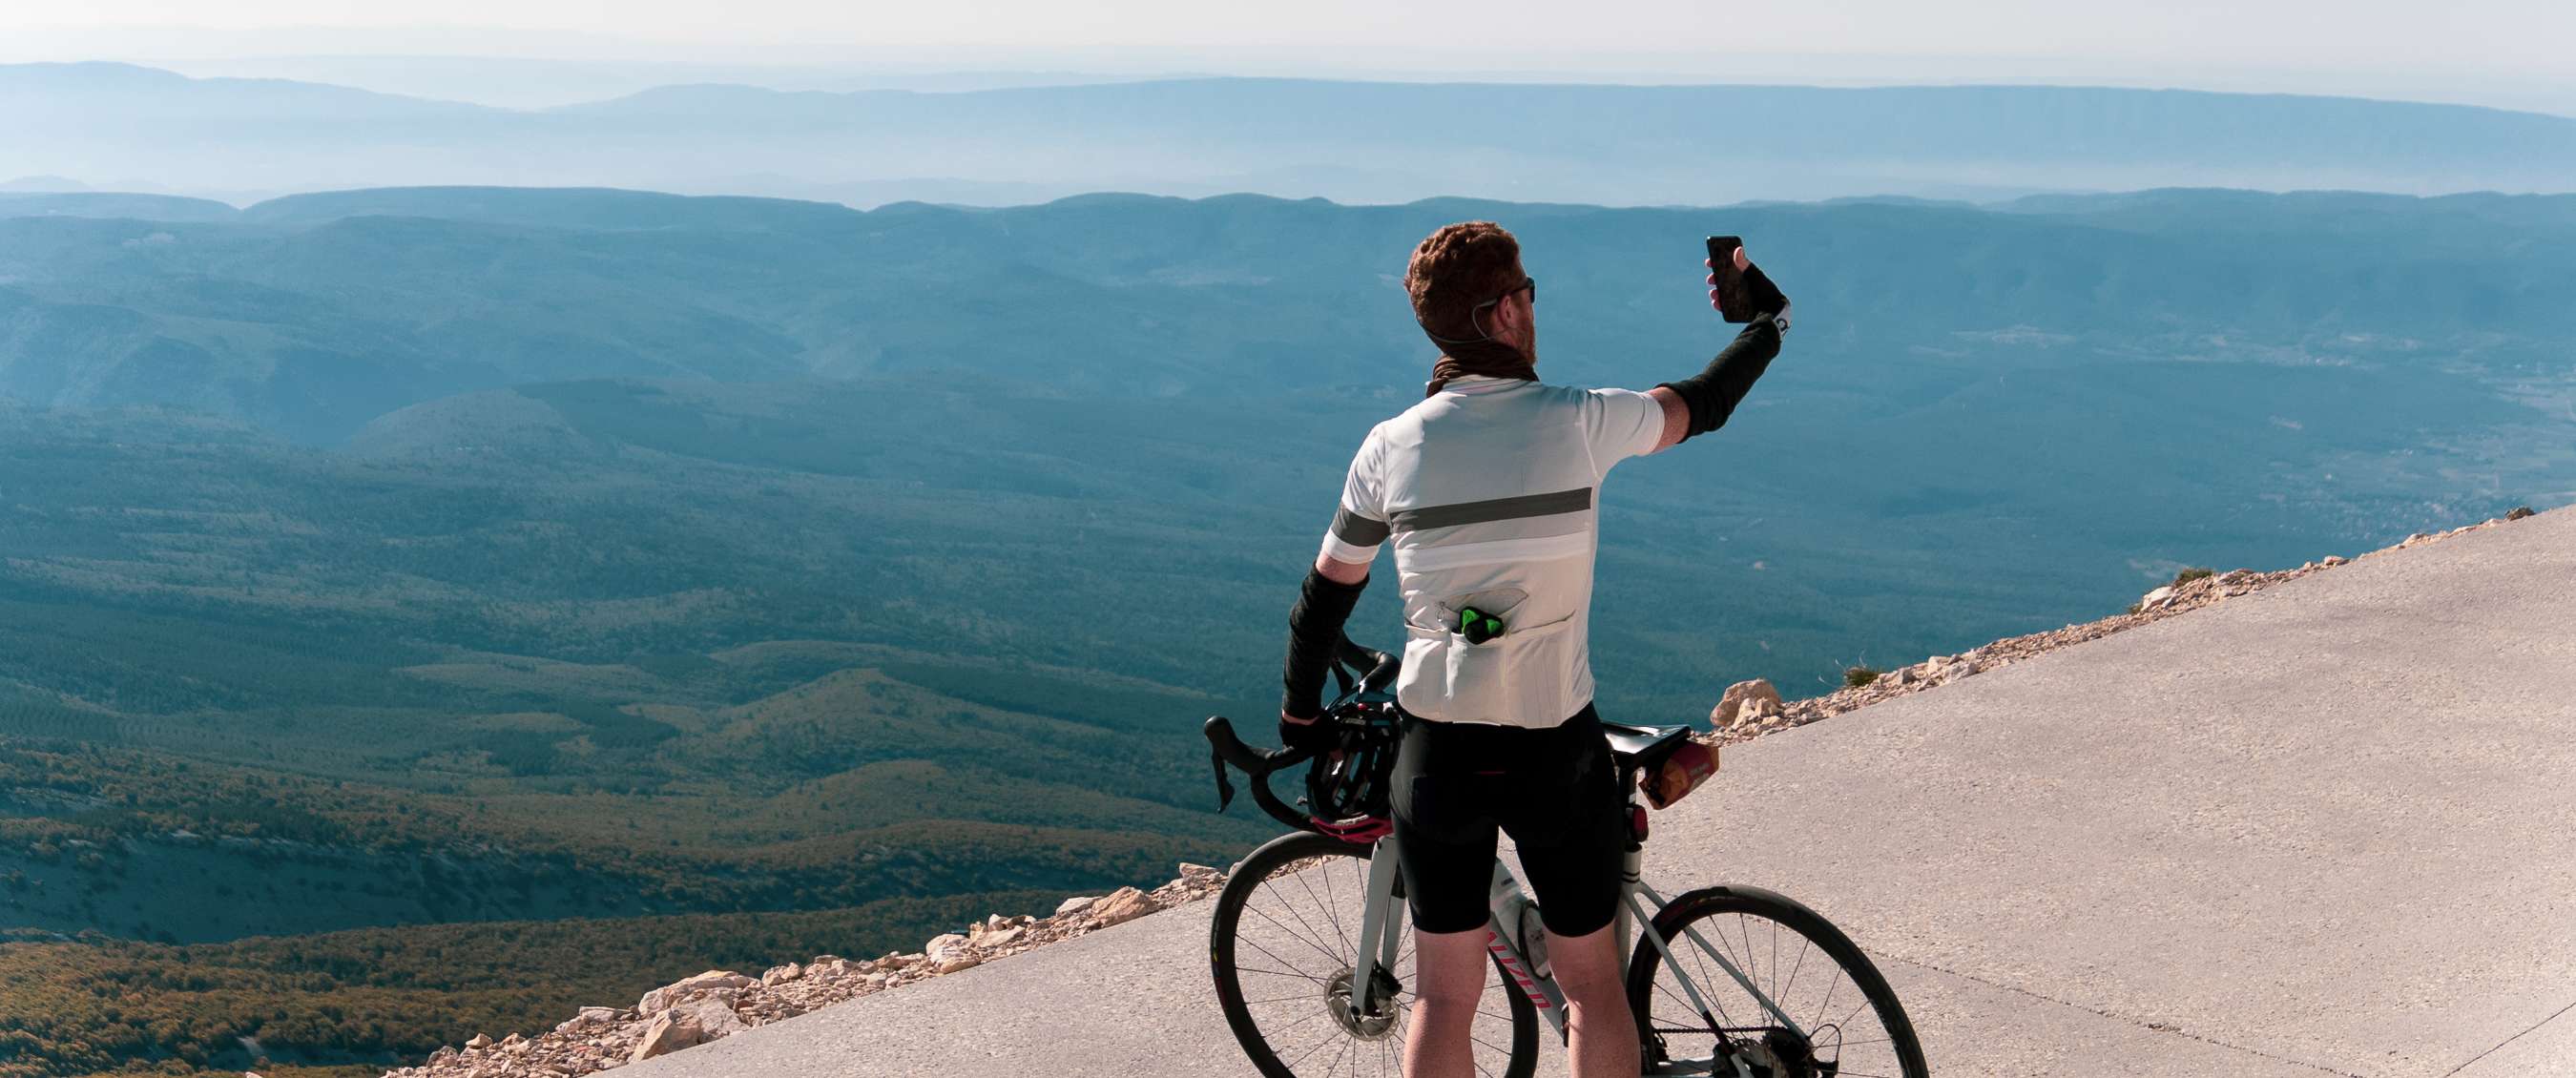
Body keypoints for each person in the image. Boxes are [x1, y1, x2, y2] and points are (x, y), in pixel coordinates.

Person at [1277, 220, 1790, 1078]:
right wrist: (1766, 321)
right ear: (1505, 314)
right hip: (1555, 741)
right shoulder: (1581, 423)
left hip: (1439, 745)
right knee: (1592, 989)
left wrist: (1299, 712)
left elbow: (1325, 595)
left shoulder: (1388, 448)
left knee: (1445, 997)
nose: (1532, 307)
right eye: (1529, 293)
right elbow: (1706, 402)